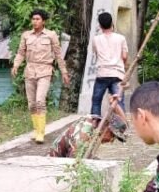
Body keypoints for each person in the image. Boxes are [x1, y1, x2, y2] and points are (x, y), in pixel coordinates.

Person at [11, 9, 70, 143]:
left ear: (43, 21)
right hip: (30, 70)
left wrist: (64, 72)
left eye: (38, 19)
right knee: (31, 103)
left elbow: (58, 55)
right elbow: (21, 52)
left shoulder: (51, 35)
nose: (35, 21)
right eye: (33, 19)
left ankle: (41, 133)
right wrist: (15, 65)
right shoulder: (26, 35)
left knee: (39, 101)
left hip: (45, 71)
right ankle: (36, 129)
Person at [91, 12, 128, 116]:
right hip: (117, 74)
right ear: (112, 23)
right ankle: (120, 126)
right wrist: (123, 65)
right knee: (119, 102)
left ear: (100, 25)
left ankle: (95, 125)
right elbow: (124, 56)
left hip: (102, 74)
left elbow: (96, 54)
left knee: (96, 101)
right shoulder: (121, 38)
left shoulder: (96, 39)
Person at [48, 112, 127, 159]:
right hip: (54, 164)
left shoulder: (95, 124)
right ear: (105, 126)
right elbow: (73, 165)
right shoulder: (84, 136)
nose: (111, 141)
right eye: (112, 135)